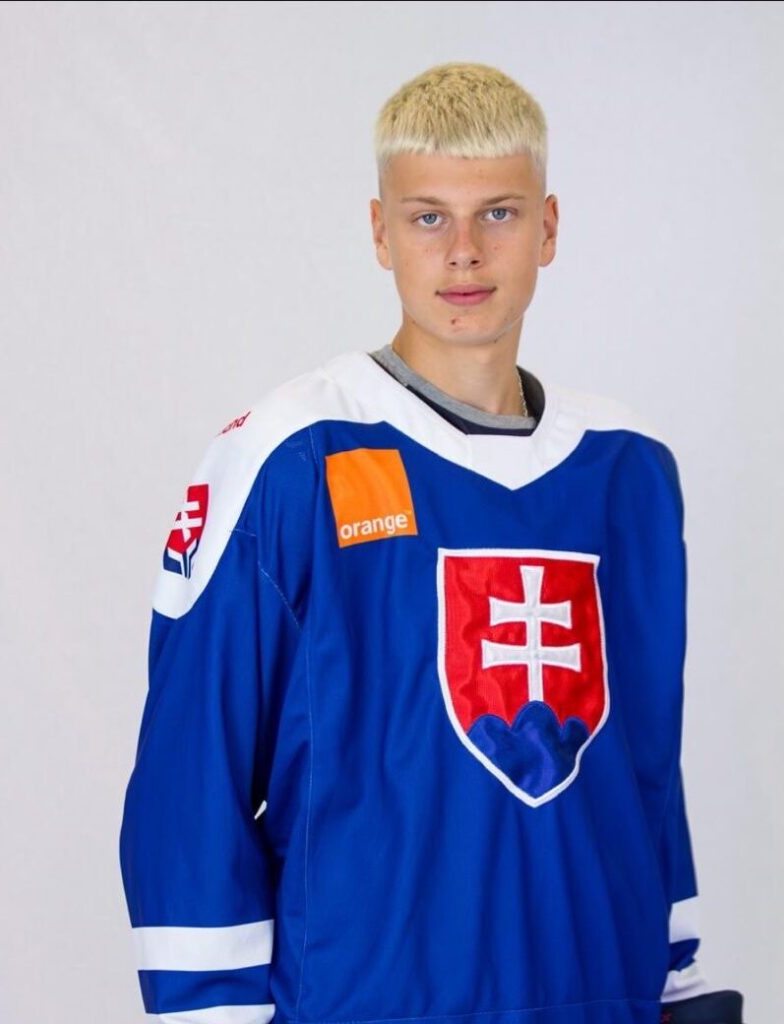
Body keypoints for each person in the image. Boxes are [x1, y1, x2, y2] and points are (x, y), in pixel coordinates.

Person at [118, 62, 745, 1024]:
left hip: (596, 995)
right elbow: (190, 773)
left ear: (548, 228)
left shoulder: (630, 470)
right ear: (380, 232)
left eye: (498, 213)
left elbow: (645, 765)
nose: (463, 252)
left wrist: (677, 982)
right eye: (427, 217)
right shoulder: (290, 455)